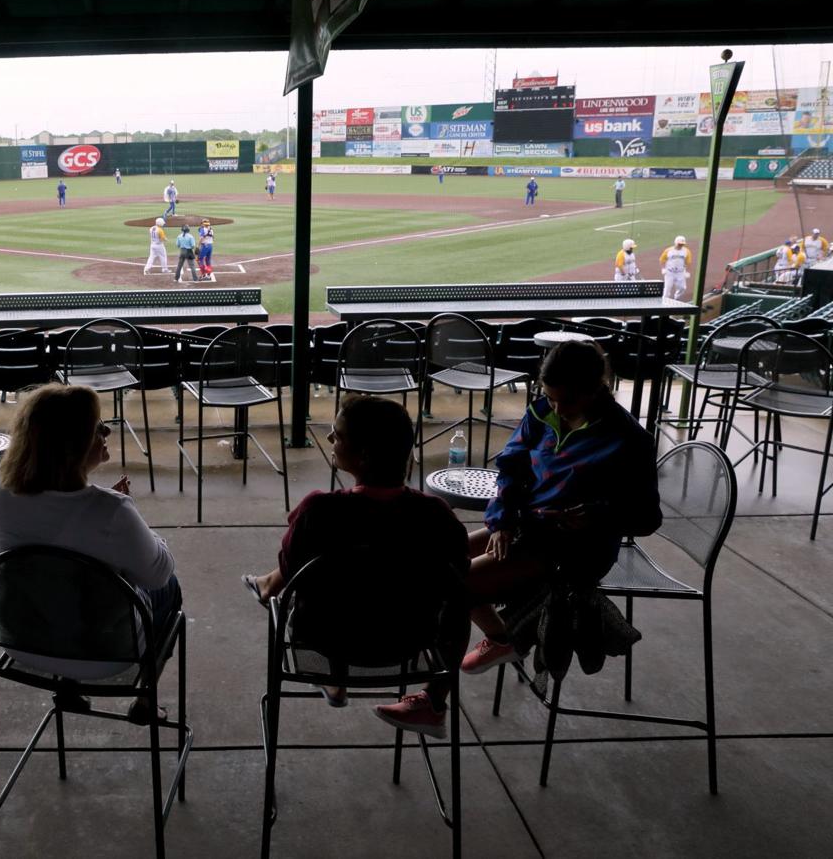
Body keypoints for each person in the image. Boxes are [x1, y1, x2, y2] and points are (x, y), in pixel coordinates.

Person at [374, 341, 662, 735]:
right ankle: (502, 637)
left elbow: (647, 517)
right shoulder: (542, 411)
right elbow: (510, 465)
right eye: (550, 397)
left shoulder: (629, 441)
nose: (557, 409)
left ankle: (432, 702)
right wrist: (503, 518)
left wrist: (596, 515)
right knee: (442, 557)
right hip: (527, 526)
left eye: (568, 400)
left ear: (598, 387)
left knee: (456, 591)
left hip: (573, 550)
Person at [241, 395, 469, 712]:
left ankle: (329, 673)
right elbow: (458, 580)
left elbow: (291, 567)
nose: (330, 439)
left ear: (362, 456)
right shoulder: (436, 516)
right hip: (407, 643)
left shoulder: (319, 511)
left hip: (324, 640)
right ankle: (434, 701)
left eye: (338, 434)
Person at [0, 383, 181, 718]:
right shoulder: (111, 511)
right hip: (105, 653)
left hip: (20, 640)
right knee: (170, 589)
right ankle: (145, 700)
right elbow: (158, 573)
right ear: (73, 445)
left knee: (55, 587)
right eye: (97, 427)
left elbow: (50, 519)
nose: (106, 432)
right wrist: (133, 520)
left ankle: (68, 688)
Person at [660, 235, 692, 300]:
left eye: (682, 244)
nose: (681, 245)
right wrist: (663, 269)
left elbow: (688, 262)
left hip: (680, 272)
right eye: (679, 244)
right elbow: (662, 260)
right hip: (670, 272)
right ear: (675, 243)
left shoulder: (686, 251)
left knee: (682, 288)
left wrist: (687, 272)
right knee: (667, 288)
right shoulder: (668, 250)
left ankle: (677, 299)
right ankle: (664, 301)